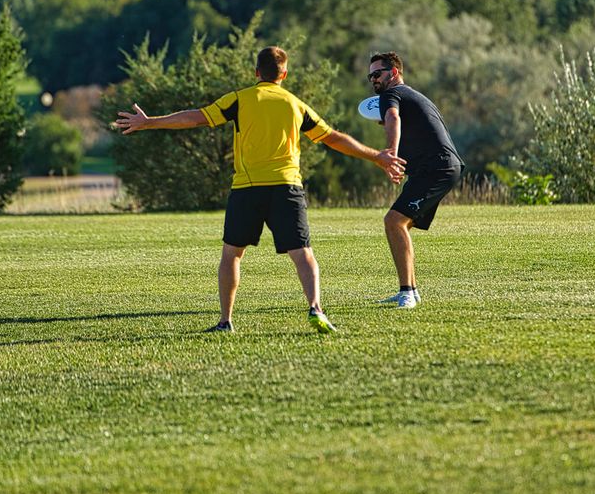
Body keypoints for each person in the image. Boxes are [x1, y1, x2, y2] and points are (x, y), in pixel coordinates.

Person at [115, 45, 404, 334]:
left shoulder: (239, 99)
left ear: (256, 73)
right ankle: (316, 308)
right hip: (287, 188)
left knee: (232, 254)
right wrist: (376, 156)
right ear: (284, 74)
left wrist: (150, 122)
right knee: (303, 253)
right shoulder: (294, 103)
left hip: (247, 189)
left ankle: (226, 321)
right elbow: (333, 138)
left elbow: (196, 117)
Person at [367, 51, 464, 309]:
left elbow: (393, 117)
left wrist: (390, 154)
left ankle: (407, 292)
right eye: (370, 76)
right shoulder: (411, 95)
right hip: (433, 168)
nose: (374, 80)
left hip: (437, 168)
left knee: (393, 221)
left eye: (378, 74)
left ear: (394, 73)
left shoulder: (392, 94)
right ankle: (411, 290)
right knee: (401, 224)